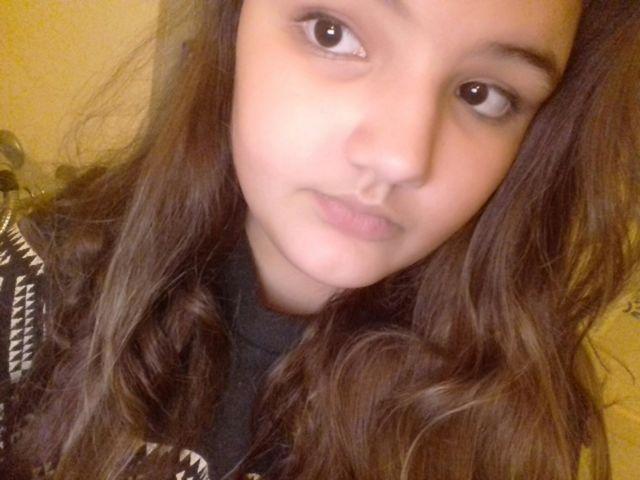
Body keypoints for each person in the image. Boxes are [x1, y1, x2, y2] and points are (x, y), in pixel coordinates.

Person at [0, 0, 638, 478]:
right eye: (333, 32)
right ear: (234, 24)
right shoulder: (32, 292)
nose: (400, 157)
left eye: (484, 94)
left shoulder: (516, 422)